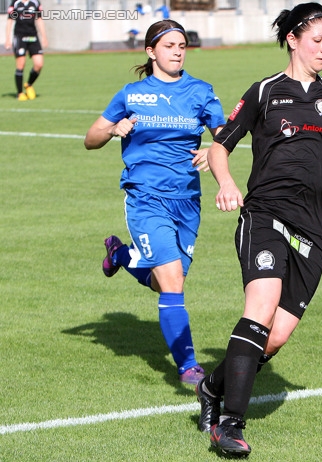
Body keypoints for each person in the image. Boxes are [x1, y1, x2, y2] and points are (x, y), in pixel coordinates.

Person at [195, 2, 322, 455]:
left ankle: (210, 388)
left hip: (315, 226)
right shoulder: (265, 90)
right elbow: (220, 146)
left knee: (277, 335)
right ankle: (229, 425)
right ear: (293, 38)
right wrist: (225, 183)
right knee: (260, 307)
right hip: (265, 213)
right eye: (318, 40)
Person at [84, 20, 226, 385]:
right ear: (151, 51)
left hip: (187, 202)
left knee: (164, 284)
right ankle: (189, 367)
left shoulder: (200, 91)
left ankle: (119, 255)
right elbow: (90, 138)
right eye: (169, 45)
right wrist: (113, 129)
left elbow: (226, 136)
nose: (178, 51)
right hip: (145, 199)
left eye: (182, 45)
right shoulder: (132, 94)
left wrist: (214, 150)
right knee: (173, 281)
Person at [5, 0, 48, 101]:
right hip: (20, 36)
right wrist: (7, 39)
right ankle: (19, 93)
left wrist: (44, 36)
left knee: (39, 64)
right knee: (21, 64)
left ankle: (28, 85)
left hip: (33, 36)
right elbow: (10, 21)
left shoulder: (35, 2)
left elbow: (39, 19)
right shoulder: (15, 3)